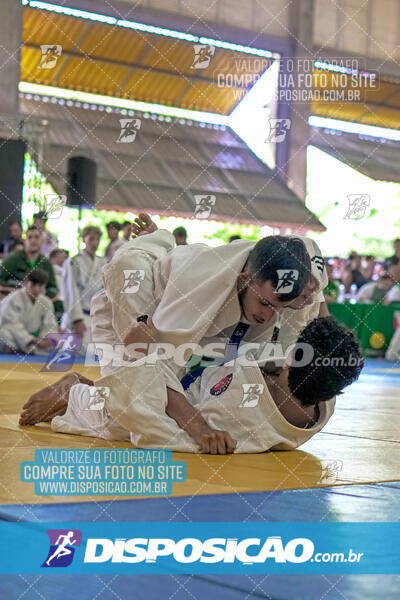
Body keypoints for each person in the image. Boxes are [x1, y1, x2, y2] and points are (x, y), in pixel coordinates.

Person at [19, 317, 364, 455]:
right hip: (209, 364)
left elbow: (167, 418)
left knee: (117, 418)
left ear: (292, 360)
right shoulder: (323, 402)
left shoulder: (234, 419)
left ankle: (76, 392)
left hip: (183, 395)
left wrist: (199, 429)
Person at [0, 226, 63, 319]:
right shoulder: (13, 258)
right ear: (25, 241)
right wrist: (12, 290)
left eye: (37, 237)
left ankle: (53, 331)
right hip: (15, 297)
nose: (33, 240)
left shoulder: (45, 263)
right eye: (30, 237)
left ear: (42, 241)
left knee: (59, 305)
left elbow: (53, 287)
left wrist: (44, 297)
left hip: (39, 300)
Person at [62, 226, 106, 352]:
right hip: (78, 313)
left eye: (97, 239)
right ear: (83, 239)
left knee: (92, 356)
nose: (95, 243)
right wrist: (77, 319)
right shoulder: (73, 262)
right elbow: (70, 291)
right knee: (73, 354)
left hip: (95, 314)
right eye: (91, 239)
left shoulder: (103, 262)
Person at [0, 269, 57, 354]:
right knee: (4, 335)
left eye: (41, 285)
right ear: (25, 283)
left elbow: (50, 325)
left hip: (34, 340)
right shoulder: (13, 298)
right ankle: (16, 350)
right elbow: (11, 323)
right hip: (14, 336)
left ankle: (25, 350)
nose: (37, 289)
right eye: (33, 284)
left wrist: (45, 339)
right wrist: (30, 340)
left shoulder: (46, 302)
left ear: (45, 286)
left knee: (57, 343)